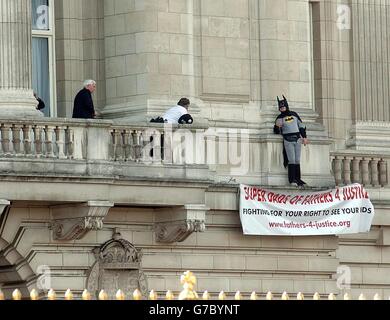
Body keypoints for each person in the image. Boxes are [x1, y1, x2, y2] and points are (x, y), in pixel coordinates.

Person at [273, 95, 309, 187]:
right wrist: (277, 127)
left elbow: (301, 126)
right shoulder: (279, 118)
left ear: (287, 105)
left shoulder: (294, 114)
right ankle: (292, 179)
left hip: (297, 139)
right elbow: (276, 131)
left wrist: (304, 137)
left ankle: (298, 179)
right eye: (280, 107)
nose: (282, 108)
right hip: (287, 139)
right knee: (291, 160)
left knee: (297, 160)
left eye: (283, 106)